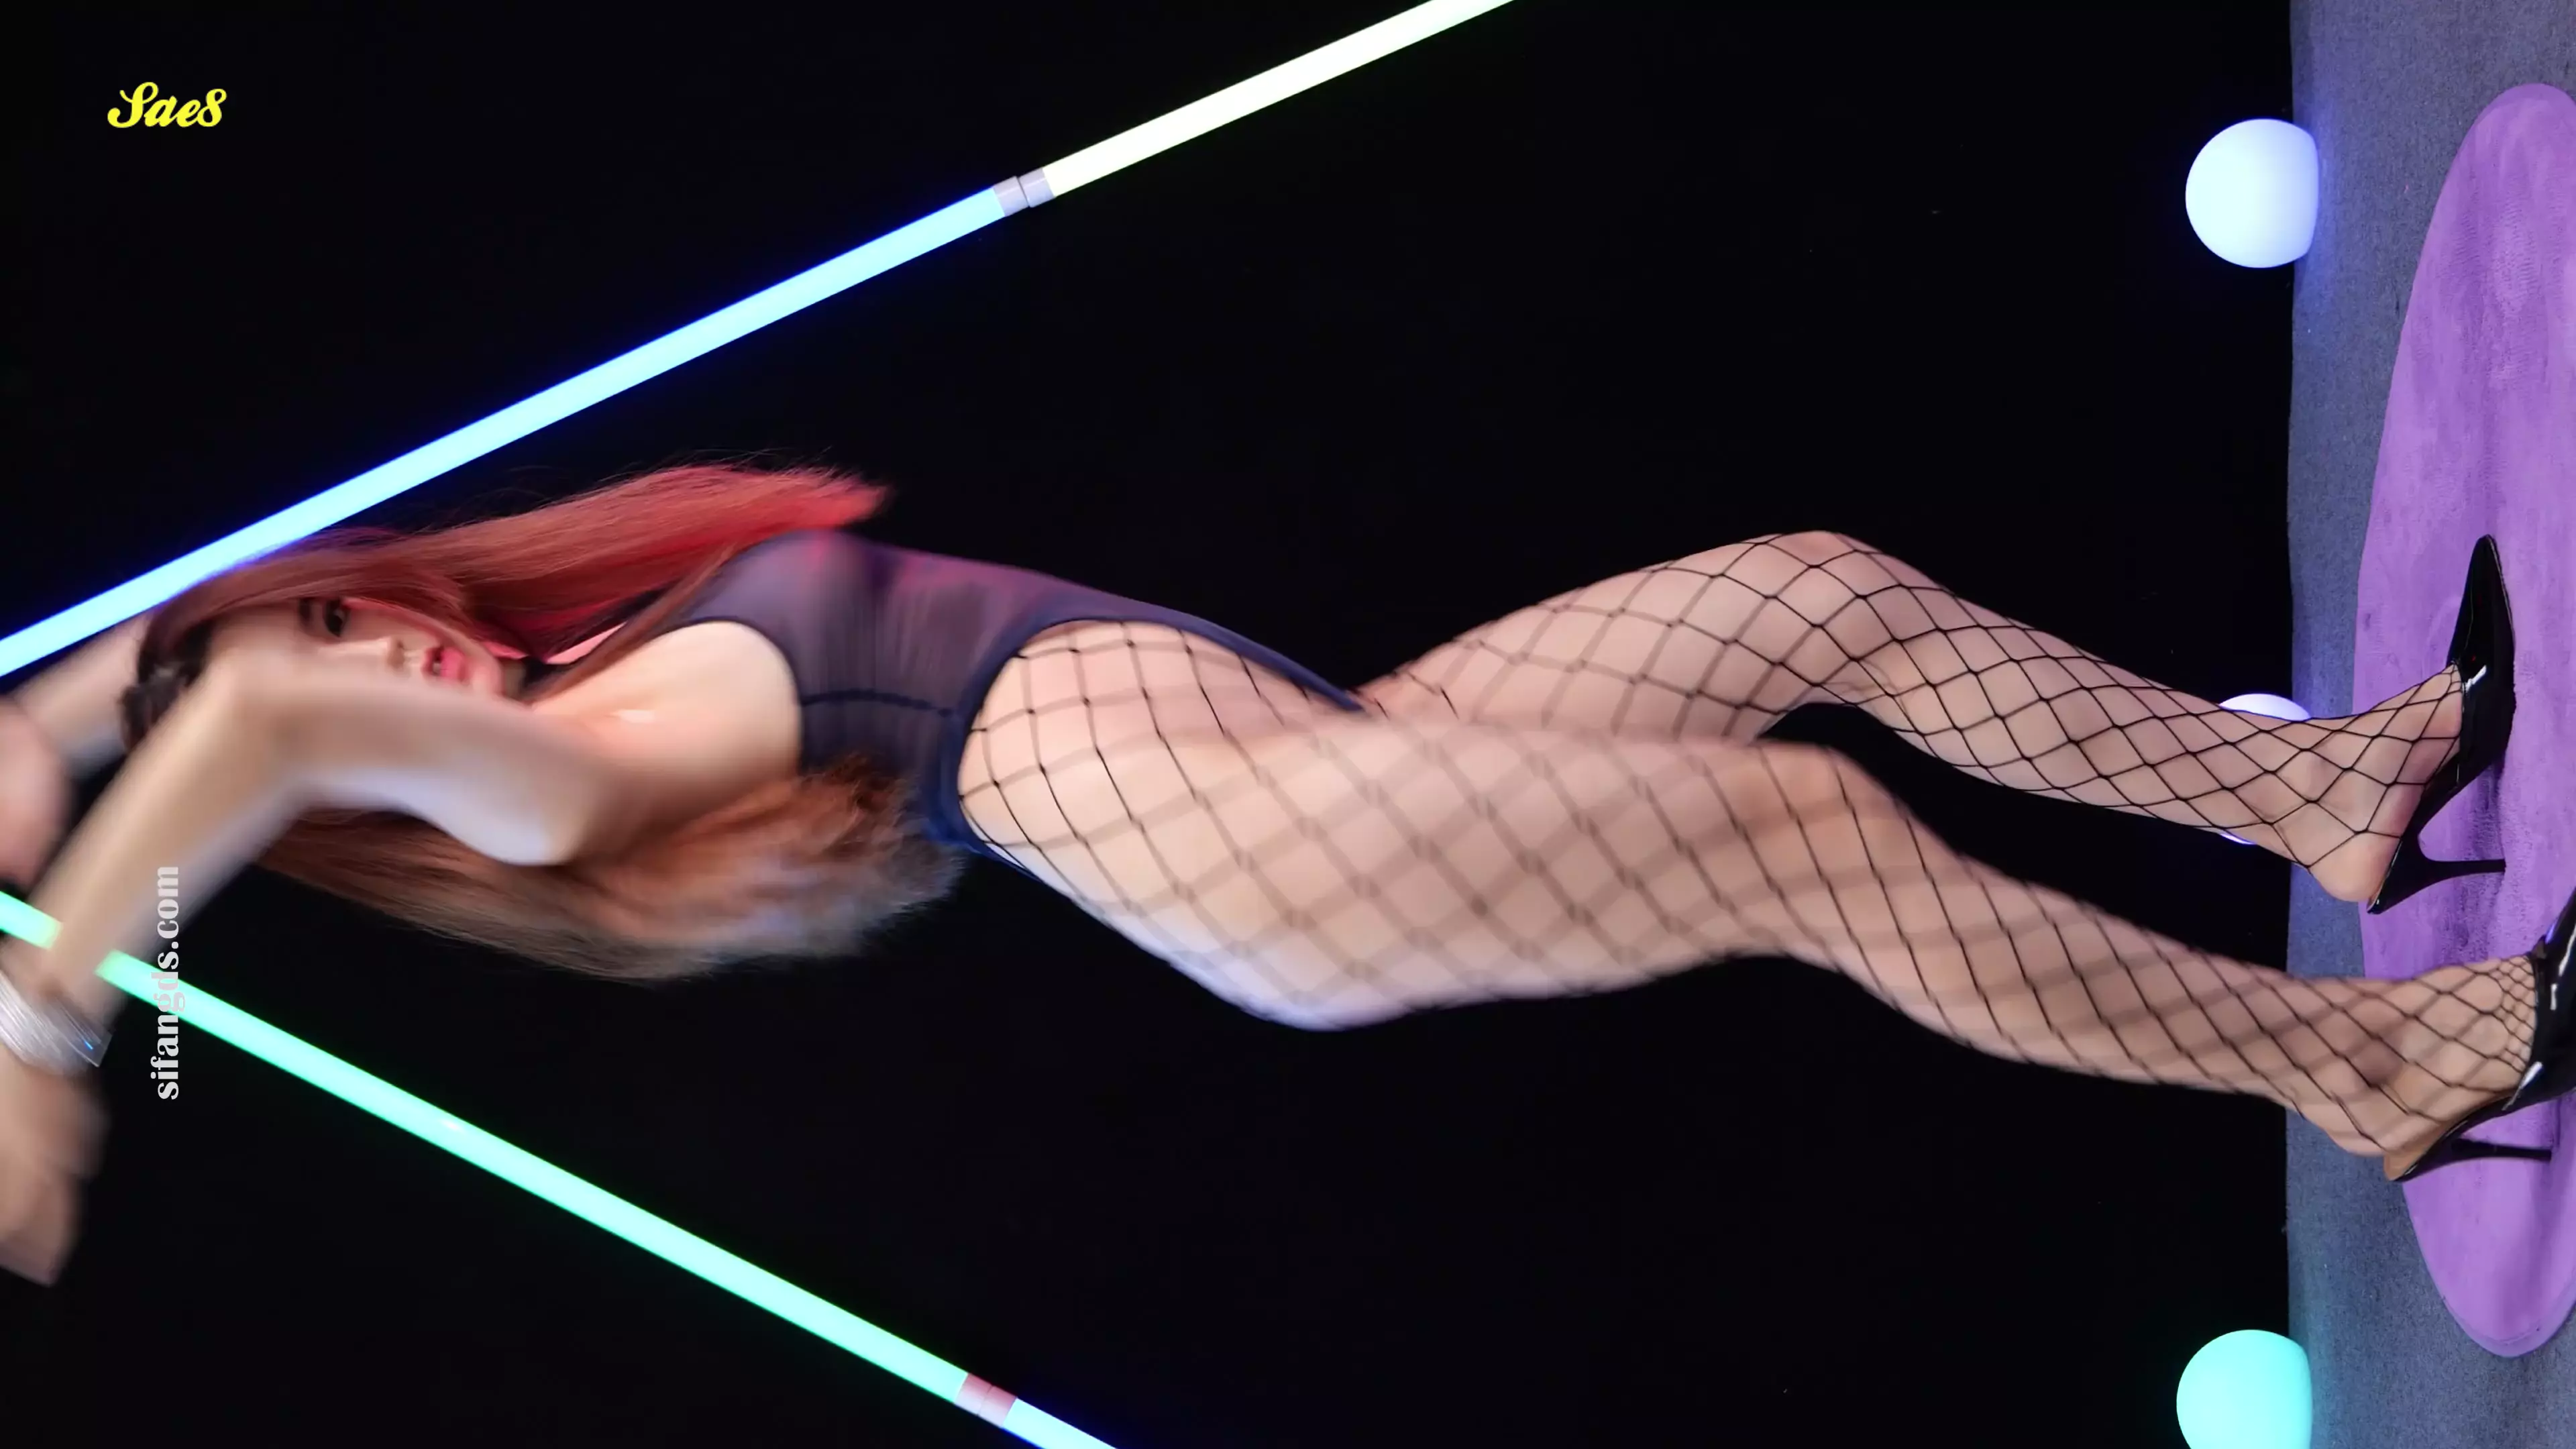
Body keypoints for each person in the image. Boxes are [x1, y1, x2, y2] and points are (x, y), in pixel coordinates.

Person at [0, 461, 2566, 1285]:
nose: (362, 653)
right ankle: (2360, 1067)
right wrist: (45, 1006)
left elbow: (217, 701)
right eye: (318, 674)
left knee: (1816, 599)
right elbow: (246, 725)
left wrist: (53, 741)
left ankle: (2315, 801)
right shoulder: (530, 791)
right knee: (1806, 841)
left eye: (345, 605)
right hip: (1259, 855)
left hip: (1326, 743)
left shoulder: (603, 652)